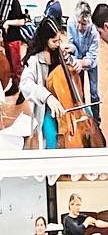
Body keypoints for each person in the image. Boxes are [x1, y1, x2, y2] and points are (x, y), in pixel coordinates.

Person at [18, 17, 79, 149]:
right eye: (54, 41)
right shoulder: (34, 60)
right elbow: (25, 84)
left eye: (59, 40)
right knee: (51, 139)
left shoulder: (60, 53)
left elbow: (72, 72)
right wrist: (48, 97)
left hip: (67, 101)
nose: (58, 44)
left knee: (88, 115)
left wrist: (73, 63)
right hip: (47, 107)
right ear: (45, 40)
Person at [66, 1, 100, 120]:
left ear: (89, 21)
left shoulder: (94, 32)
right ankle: (84, 116)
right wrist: (71, 49)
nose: (80, 27)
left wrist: (81, 62)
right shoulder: (70, 22)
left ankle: (96, 120)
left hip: (91, 63)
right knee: (79, 90)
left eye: (84, 24)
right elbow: (71, 42)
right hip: (77, 60)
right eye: (78, 22)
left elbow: (91, 58)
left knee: (94, 92)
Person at [0, 0, 26, 90]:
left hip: (14, 38)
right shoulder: (3, 1)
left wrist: (8, 22)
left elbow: (22, 21)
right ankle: (14, 86)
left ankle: (19, 88)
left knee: (16, 66)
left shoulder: (14, 2)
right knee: (10, 64)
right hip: (6, 38)